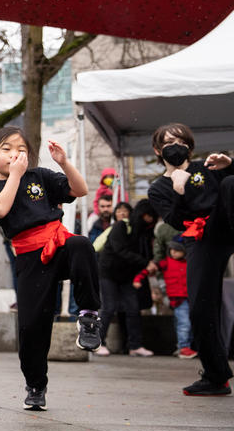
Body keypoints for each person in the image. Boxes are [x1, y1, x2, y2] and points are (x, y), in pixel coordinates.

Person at [0, 126, 101, 412]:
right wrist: (16, 176)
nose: (14, 154)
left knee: (81, 245)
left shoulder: (41, 176)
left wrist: (63, 162)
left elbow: (80, 190)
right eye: (6, 149)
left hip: (58, 243)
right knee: (33, 326)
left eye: (20, 149)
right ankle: (36, 384)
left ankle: (89, 317)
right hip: (29, 258)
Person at [146, 123, 233, 396]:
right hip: (199, 238)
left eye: (181, 141)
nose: (176, 145)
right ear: (158, 149)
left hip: (224, 223)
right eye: (169, 141)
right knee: (199, 308)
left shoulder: (207, 167)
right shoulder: (158, 187)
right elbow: (175, 221)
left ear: (190, 146)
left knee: (231, 182)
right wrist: (180, 191)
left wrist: (229, 165)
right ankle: (216, 375)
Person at [93, 199, 158, 357]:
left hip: (127, 275)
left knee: (133, 308)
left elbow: (145, 253)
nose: (150, 220)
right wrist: (145, 263)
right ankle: (97, 343)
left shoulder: (144, 231)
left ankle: (135, 345)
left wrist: (148, 265)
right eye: (148, 216)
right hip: (108, 272)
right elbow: (119, 250)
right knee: (108, 308)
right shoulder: (121, 226)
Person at [140, 239, 193, 358]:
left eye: (177, 250)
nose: (174, 253)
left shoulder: (189, 263)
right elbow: (151, 269)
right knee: (184, 322)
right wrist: (139, 278)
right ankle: (184, 347)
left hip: (186, 295)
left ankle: (182, 346)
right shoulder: (166, 263)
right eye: (172, 250)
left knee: (182, 321)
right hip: (176, 296)